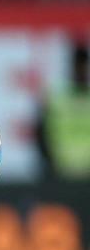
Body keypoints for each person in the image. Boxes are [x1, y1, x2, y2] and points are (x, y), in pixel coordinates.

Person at [37, 39, 90, 180]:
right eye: (78, 66)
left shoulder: (56, 96)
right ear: (72, 66)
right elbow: (41, 135)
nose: (82, 70)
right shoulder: (55, 97)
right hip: (60, 174)